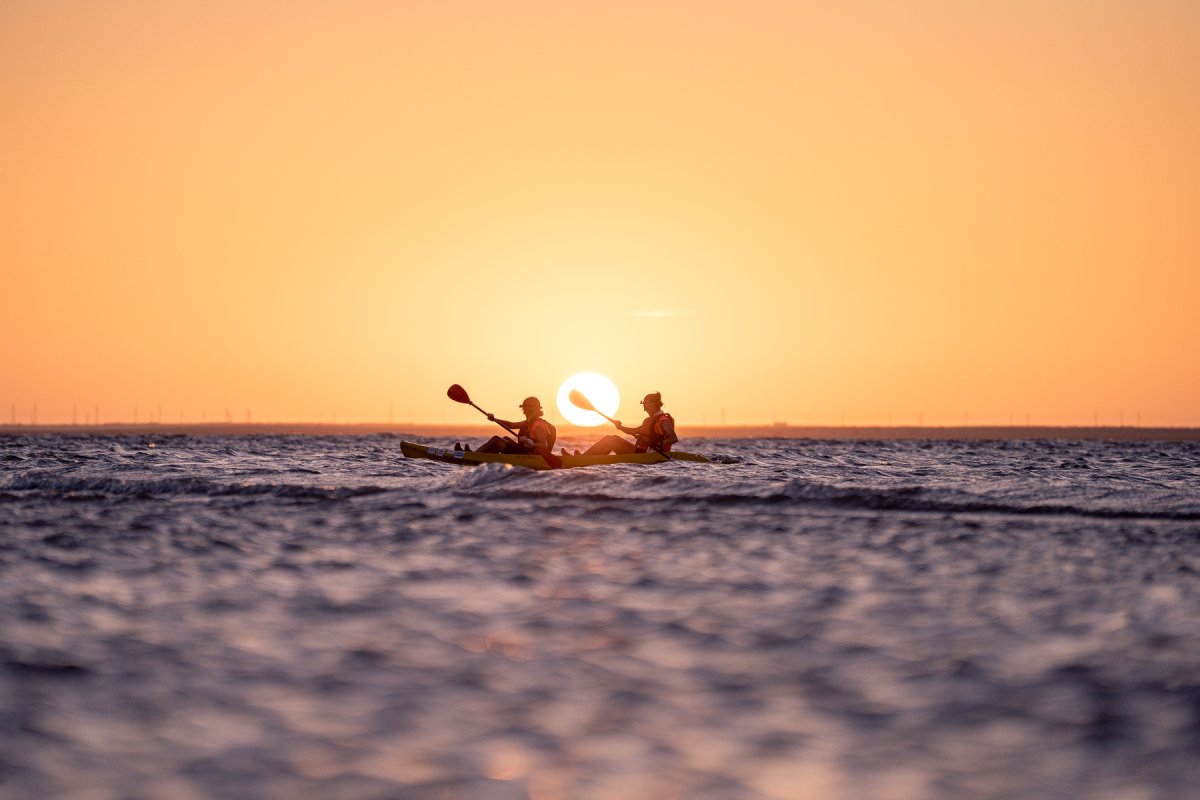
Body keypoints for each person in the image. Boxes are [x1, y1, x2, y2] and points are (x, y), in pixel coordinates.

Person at [582, 392, 678, 456]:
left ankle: (582, 459)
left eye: (646, 406)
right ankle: (586, 459)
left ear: (654, 405)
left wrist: (656, 445)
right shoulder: (650, 420)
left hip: (645, 454)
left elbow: (673, 438)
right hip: (640, 452)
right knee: (611, 438)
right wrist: (620, 427)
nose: (645, 409)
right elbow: (635, 431)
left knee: (610, 441)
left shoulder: (663, 419)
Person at [459, 396, 557, 455]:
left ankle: (474, 456)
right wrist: (494, 419)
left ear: (531, 409)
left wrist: (528, 441)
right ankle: (483, 457)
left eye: (525, 409)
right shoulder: (529, 422)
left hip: (530, 455)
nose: (523, 412)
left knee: (495, 440)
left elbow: (544, 446)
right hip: (524, 451)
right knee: (505, 438)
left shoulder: (539, 425)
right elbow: (511, 425)